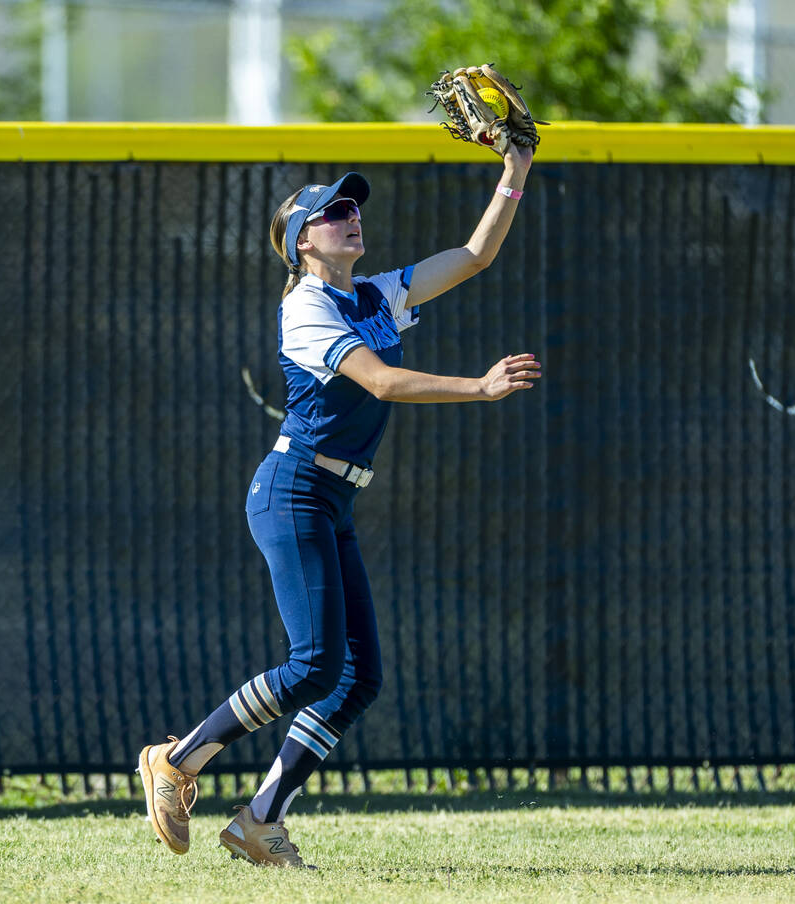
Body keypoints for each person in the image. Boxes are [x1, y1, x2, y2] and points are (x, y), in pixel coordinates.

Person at [137, 144, 538, 868]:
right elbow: (380, 382)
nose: (351, 217)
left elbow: (475, 256)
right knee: (317, 664)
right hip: (292, 491)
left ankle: (260, 820)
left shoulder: (375, 294)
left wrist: (515, 170)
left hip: (334, 497)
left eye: (353, 208)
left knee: (359, 679)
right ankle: (177, 758)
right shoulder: (306, 306)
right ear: (301, 242)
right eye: (333, 212)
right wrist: (477, 388)